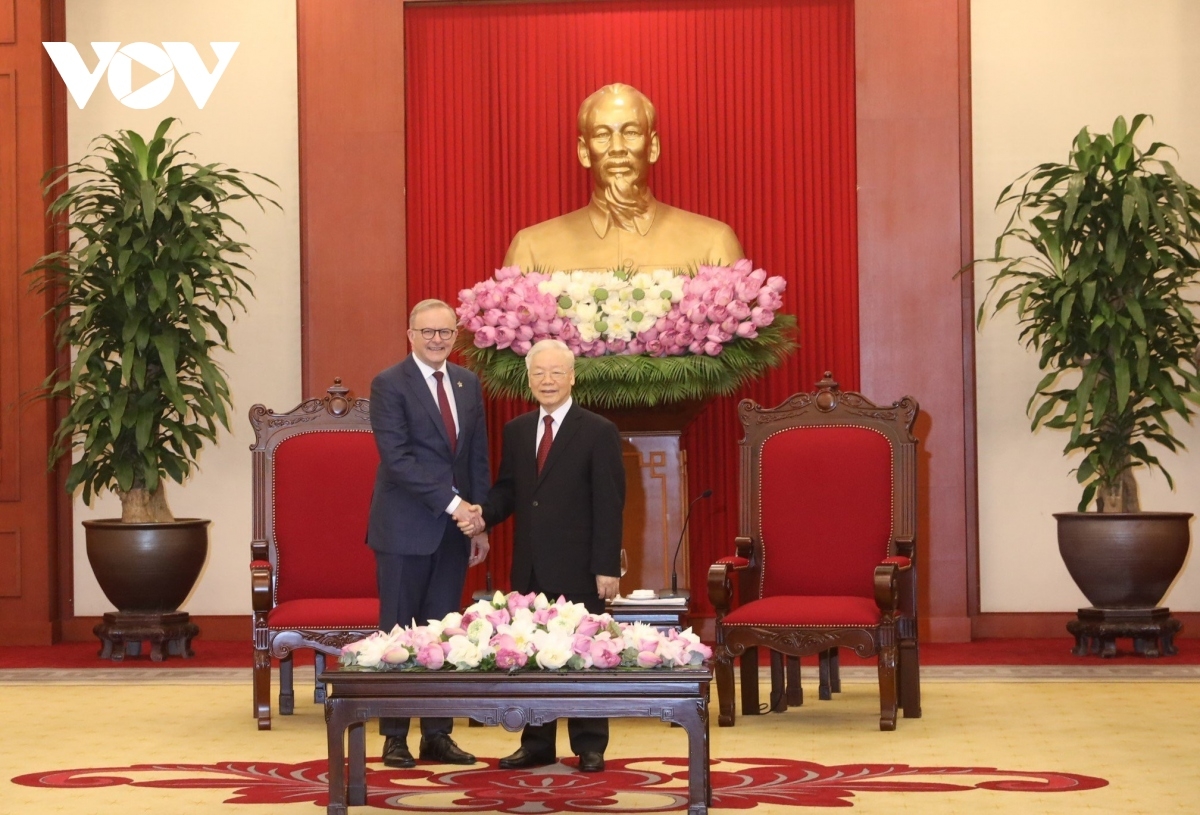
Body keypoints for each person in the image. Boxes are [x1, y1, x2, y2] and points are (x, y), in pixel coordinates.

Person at [466, 338, 626, 773]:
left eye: (557, 372)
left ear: (572, 377)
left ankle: (590, 744)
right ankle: (536, 744)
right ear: (529, 378)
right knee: (532, 653)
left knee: (585, 656)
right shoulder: (517, 430)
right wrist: (483, 515)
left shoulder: (598, 430)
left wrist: (606, 567)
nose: (548, 380)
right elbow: (509, 491)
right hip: (530, 564)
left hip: (581, 567)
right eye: (539, 373)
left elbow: (610, 503)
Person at [366, 298, 490, 768]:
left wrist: (479, 522)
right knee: (398, 633)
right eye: (428, 332)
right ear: (410, 334)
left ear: (455, 336)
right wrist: (456, 504)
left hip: (456, 532)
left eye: (445, 332)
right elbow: (397, 461)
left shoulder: (467, 382)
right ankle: (394, 737)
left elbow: (475, 454)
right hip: (404, 529)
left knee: (444, 635)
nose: (437, 340)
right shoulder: (389, 383)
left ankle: (437, 734)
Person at [503, 83, 745, 273]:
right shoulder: (531, 248)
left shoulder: (713, 243)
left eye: (630, 132)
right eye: (602, 135)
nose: (617, 147)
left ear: (653, 147)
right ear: (584, 152)